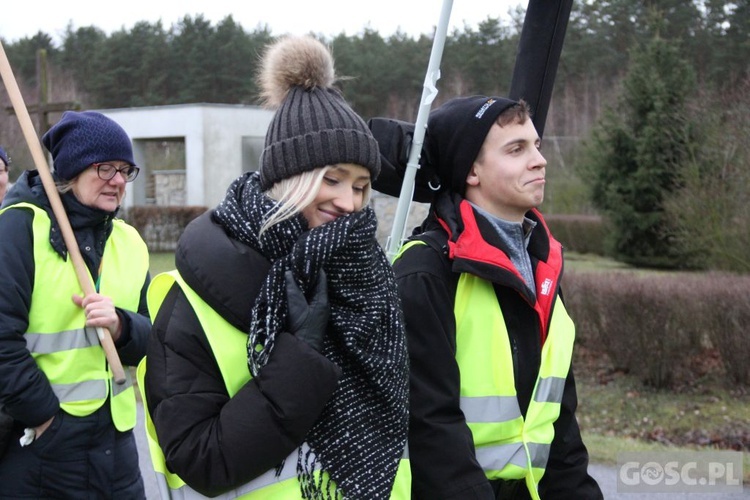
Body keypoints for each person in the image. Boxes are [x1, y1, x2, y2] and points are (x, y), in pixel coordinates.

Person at [141, 35, 410, 499]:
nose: (349, 202)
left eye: (362, 186)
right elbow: (199, 459)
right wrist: (297, 366)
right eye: (332, 179)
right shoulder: (191, 301)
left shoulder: (370, 282)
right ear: (288, 178)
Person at [391, 96, 603, 499]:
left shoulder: (544, 265)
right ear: (471, 169)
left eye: (536, 146)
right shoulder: (425, 273)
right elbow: (430, 428)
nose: (539, 160)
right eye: (516, 149)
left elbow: (559, 423)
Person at [0, 111, 151, 499]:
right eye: (105, 168)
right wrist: (45, 415)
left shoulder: (130, 241)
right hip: (44, 451)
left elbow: (158, 336)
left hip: (118, 451)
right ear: (72, 171)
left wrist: (122, 327)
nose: (118, 181)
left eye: (125, 170)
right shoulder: (19, 228)